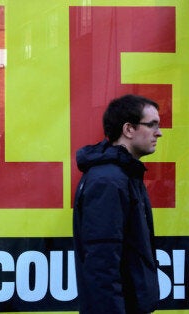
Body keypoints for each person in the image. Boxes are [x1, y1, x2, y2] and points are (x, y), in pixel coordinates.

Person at [73, 94, 162, 313]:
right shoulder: (109, 181)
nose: (158, 133)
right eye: (152, 125)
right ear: (128, 129)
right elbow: (102, 264)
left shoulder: (123, 175)